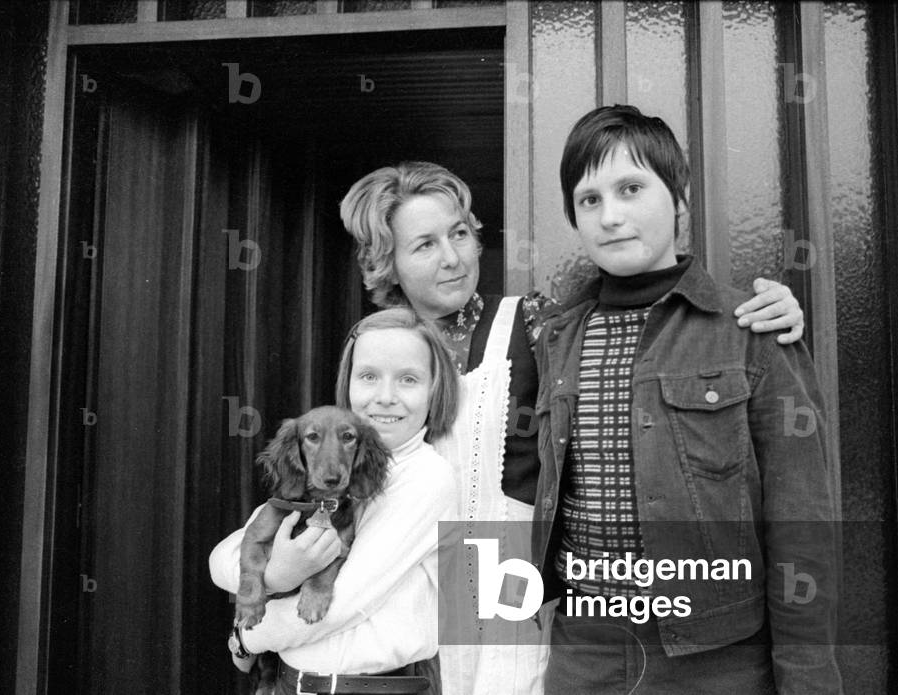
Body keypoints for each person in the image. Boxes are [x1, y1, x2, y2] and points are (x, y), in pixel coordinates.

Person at [335, 161, 809, 695]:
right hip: (405, 580)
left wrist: (761, 310)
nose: (452, 258)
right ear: (386, 262)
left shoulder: (536, 321)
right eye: (424, 245)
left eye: (460, 234)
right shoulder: (371, 345)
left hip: (506, 582)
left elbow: (643, 327)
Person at [532, 104, 840, 694]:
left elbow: (802, 525)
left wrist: (808, 680)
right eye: (589, 199)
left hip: (714, 658)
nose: (611, 215)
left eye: (631, 188)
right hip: (582, 653)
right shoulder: (556, 336)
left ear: (679, 196)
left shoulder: (751, 328)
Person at [209, 307, 460, 695]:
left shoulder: (426, 478)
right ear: (348, 384)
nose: (386, 397)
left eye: (408, 379)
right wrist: (276, 575)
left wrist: (246, 638)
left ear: (434, 389)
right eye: (369, 376)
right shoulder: (331, 478)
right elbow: (222, 556)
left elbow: (338, 606)